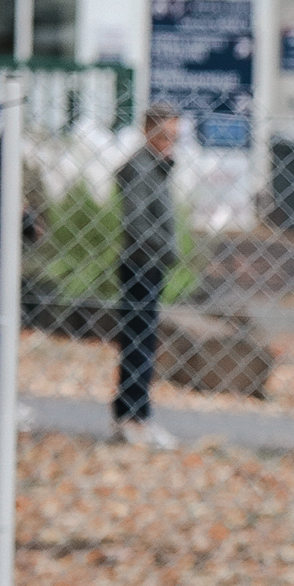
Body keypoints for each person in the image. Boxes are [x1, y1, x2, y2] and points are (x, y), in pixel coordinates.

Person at [110, 103, 179, 449]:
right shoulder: (142, 168)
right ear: (148, 131)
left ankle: (129, 413)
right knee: (140, 342)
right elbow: (137, 222)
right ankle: (136, 416)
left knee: (140, 339)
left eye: (175, 137)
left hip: (148, 263)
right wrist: (168, 247)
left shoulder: (156, 165)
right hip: (142, 263)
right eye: (165, 135)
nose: (171, 143)